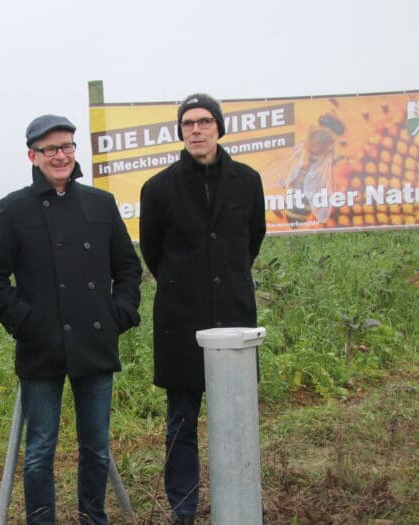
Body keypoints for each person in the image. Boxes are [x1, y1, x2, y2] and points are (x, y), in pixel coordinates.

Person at [0, 114, 142, 524]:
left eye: (67, 146)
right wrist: (26, 323)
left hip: (94, 342)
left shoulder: (99, 204)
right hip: (41, 347)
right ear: (33, 155)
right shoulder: (14, 209)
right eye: (50, 149)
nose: (60, 155)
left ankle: (93, 518)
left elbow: (128, 269)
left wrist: (117, 315)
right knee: (39, 452)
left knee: (97, 448)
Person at [139, 93, 267, 524]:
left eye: (204, 121)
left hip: (233, 316)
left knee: (237, 417)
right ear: (180, 131)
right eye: (188, 123)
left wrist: (223, 280)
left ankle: (239, 501)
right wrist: (188, 284)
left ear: (219, 127)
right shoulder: (158, 189)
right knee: (181, 421)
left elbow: (252, 240)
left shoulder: (247, 182)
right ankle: (183, 508)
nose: (195, 129)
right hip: (181, 322)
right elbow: (154, 253)